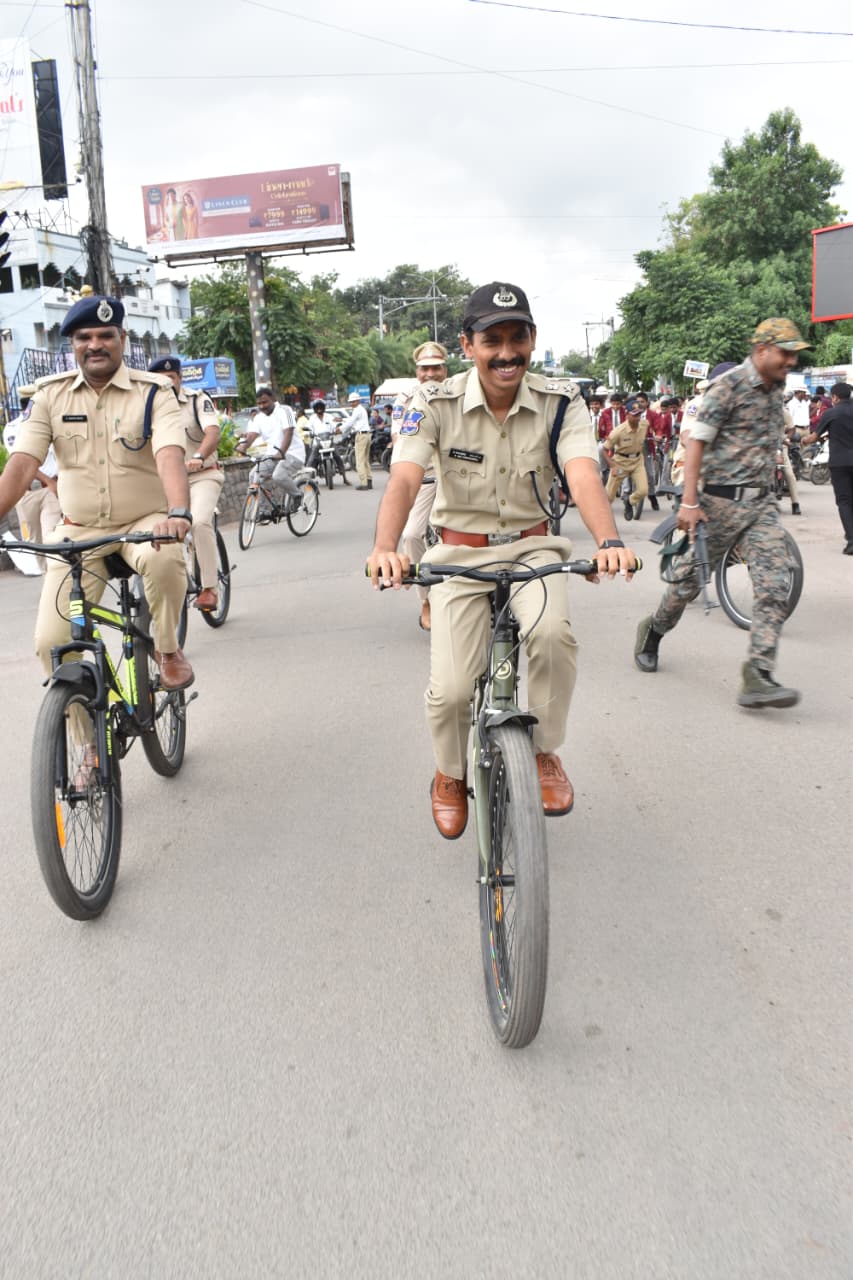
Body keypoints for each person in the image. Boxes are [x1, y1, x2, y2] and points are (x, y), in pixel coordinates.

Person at [367, 281, 637, 839]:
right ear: (468, 345)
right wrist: (386, 548)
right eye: (493, 339)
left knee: (554, 640)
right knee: (453, 691)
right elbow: (405, 476)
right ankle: (448, 772)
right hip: (459, 555)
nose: (507, 352)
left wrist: (609, 542)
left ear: (533, 340)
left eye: (518, 338)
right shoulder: (433, 401)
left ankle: (543, 751)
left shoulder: (562, 400)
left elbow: (582, 472)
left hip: (535, 546)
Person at [0, 295, 194, 694]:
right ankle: (86, 747)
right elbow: (22, 464)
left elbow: (169, 453)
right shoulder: (49, 397)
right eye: (84, 337)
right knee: (52, 644)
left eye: (106, 335)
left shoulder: (154, 392)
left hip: (145, 525)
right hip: (79, 531)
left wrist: (177, 513)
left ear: (122, 338)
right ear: (71, 344)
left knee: (164, 560)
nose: (95, 344)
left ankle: (168, 648)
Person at [634, 319, 810, 709]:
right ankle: (654, 631)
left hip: (761, 505)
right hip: (717, 505)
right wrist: (689, 502)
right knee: (685, 585)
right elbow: (696, 443)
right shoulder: (727, 386)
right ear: (762, 349)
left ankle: (758, 674)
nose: (792, 360)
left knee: (774, 580)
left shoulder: (777, 386)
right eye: (785, 352)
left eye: (794, 353)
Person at [148, 357, 223, 610]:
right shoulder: (147, 408)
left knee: (200, 521)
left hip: (202, 475)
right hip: (167, 482)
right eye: (160, 379)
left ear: (179, 378)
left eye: (171, 378)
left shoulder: (196, 400)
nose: (166, 384)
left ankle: (210, 588)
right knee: (149, 530)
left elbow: (212, 432)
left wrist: (199, 457)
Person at [390, 341, 449, 632]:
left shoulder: (461, 392)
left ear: (445, 369)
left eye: (436, 367)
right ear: (417, 372)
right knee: (412, 535)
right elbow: (399, 441)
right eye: (425, 369)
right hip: (424, 478)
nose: (431, 374)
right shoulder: (405, 399)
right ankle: (426, 600)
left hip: (462, 476)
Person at [2, 384, 61, 570]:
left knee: (51, 536)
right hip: (27, 492)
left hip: (50, 491)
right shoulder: (12, 428)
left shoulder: (52, 422)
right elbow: (22, 463)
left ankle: (55, 580)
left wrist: (56, 482)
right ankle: (47, 578)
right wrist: (49, 480)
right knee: (34, 542)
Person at [803, 382, 853, 553]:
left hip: (839, 463)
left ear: (835, 397)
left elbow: (814, 437)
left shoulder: (831, 413)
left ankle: (852, 542)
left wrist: (802, 440)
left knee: (844, 501)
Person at [236, 387, 305, 508]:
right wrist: (243, 447)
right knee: (254, 476)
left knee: (278, 475)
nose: (262, 406)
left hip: (293, 454)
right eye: (259, 403)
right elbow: (252, 435)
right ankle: (261, 510)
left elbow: (288, 433)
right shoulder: (259, 418)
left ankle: (297, 494)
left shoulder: (284, 410)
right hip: (272, 456)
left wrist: (282, 452)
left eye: (265, 402)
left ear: (273, 399)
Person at [604, 394, 649, 520]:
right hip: (620, 462)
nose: (637, 418)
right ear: (627, 414)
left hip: (637, 461)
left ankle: (629, 502)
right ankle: (603, 520)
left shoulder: (644, 425)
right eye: (634, 415)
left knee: (643, 490)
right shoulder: (618, 431)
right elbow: (604, 449)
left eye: (639, 414)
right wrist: (612, 466)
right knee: (609, 497)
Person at [305, 399, 350, 485]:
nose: (319, 409)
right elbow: (308, 428)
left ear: (323, 408)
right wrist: (308, 433)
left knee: (338, 456)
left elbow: (334, 426)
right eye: (317, 408)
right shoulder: (312, 418)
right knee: (312, 459)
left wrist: (336, 429)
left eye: (321, 407)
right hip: (318, 442)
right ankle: (308, 480)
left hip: (329, 441)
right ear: (315, 409)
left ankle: (344, 478)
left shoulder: (329, 417)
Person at [345, 391, 372, 490]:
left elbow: (350, 422)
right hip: (367, 435)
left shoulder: (357, 410)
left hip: (361, 436)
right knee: (365, 459)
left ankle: (363, 483)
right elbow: (353, 421)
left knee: (360, 461)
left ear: (358, 401)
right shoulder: (362, 409)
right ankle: (369, 481)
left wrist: (341, 429)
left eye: (354, 401)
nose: (352, 403)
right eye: (351, 402)